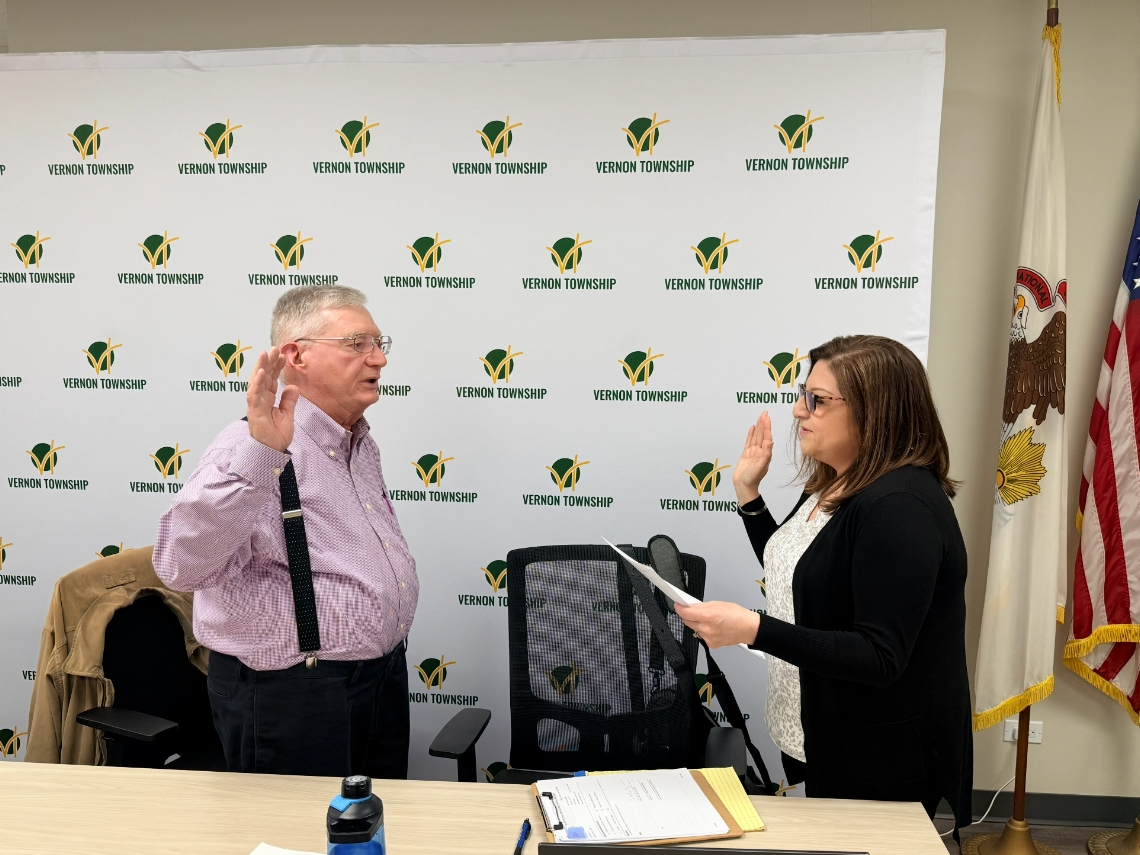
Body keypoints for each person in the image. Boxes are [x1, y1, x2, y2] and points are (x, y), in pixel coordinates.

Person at [675, 335, 972, 828]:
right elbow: (800, 573)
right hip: (811, 725)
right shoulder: (836, 480)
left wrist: (753, 629)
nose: (798, 411)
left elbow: (880, 657)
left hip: (877, 755)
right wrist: (749, 496)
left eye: (818, 400)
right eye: (802, 394)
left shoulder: (899, 507)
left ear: (875, 410)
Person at [154, 284, 417, 778]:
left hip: (377, 682)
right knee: (295, 840)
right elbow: (180, 567)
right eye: (358, 343)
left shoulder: (356, 442)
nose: (379, 359)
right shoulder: (249, 444)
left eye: (380, 344)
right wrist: (262, 456)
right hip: (294, 695)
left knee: (364, 836)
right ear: (296, 354)